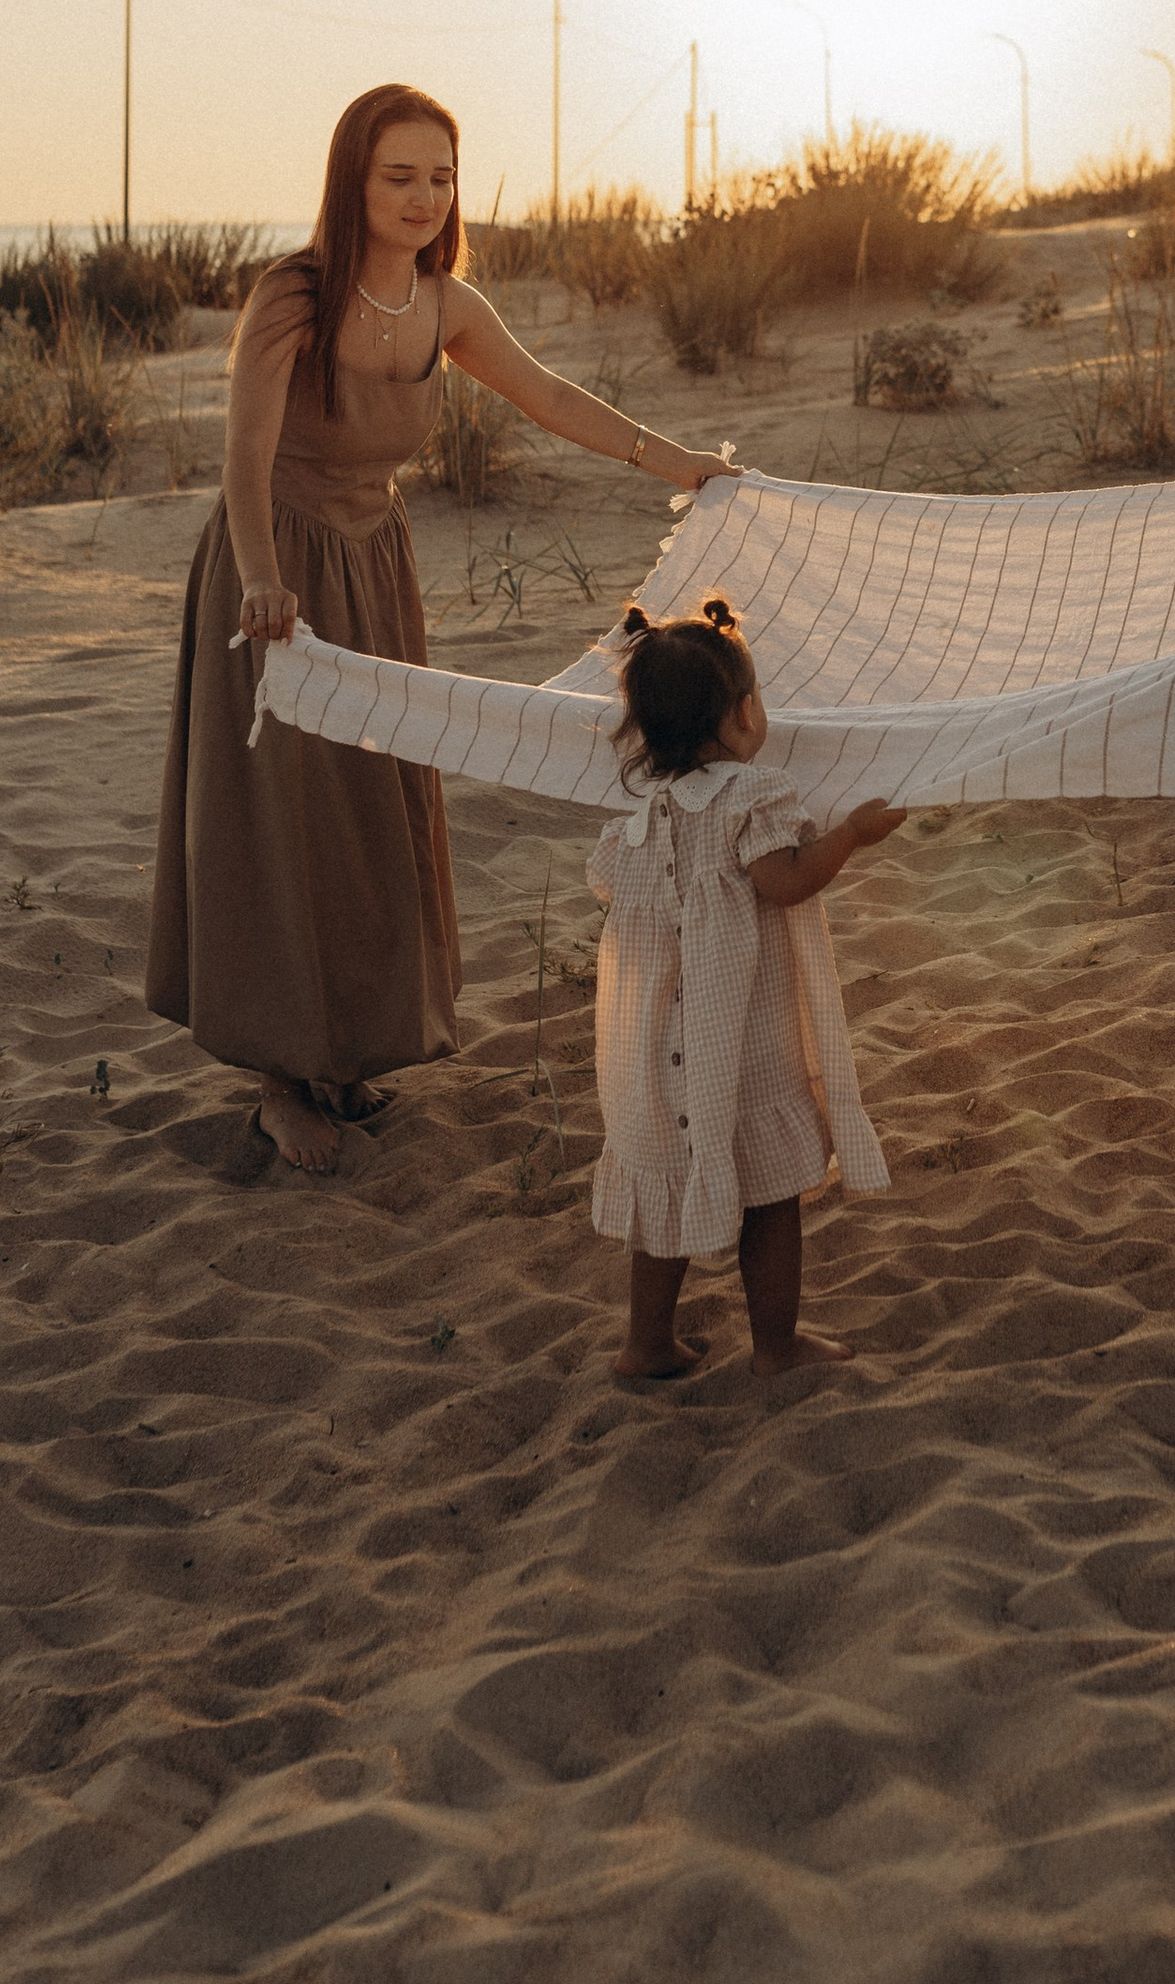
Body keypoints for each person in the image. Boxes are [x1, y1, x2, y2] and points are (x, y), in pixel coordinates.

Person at [147, 81, 737, 1174]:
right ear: (352, 182)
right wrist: (263, 579)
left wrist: (680, 464)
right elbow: (243, 451)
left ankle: (345, 1052)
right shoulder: (293, 294)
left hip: (374, 565)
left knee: (369, 806)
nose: (424, 198)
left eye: (441, 176)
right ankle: (283, 1081)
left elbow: (551, 397)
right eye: (399, 176)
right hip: (272, 568)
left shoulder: (445, 304)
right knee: (286, 816)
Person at [588, 596, 904, 1382]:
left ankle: (647, 1343)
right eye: (753, 698)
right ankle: (776, 1348)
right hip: (743, 1046)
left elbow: (611, 891)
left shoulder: (634, 821)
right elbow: (786, 881)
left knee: (664, 1196)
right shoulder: (750, 797)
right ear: (735, 718)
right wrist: (851, 836)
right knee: (769, 1198)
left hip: (655, 1056)